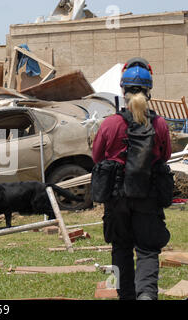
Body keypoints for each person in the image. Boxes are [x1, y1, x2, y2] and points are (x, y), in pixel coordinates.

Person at [92, 57, 172, 300]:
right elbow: (166, 156)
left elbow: (96, 157)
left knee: (120, 249)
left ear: (123, 90)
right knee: (147, 251)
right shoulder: (159, 125)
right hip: (148, 197)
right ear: (149, 91)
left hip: (117, 200)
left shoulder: (110, 124)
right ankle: (146, 294)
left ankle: (125, 294)